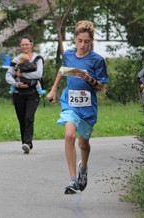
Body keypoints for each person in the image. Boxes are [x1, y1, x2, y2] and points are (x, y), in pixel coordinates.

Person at [45, 20, 109, 194]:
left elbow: (102, 87)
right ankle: (73, 180)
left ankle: (83, 168)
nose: (83, 45)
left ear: (91, 41)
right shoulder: (69, 55)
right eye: (80, 41)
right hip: (70, 102)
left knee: (83, 144)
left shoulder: (97, 60)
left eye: (87, 42)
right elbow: (62, 70)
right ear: (75, 39)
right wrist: (53, 90)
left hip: (87, 107)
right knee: (69, 135)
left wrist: (89, 79)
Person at [5, 35, 44, 154]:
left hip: (32, 93)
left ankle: (27, 142)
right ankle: (25, 143)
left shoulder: (38, 59)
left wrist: (22, 75)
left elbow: (38, 75)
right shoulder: (16, 59)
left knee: (29, 117)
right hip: (18, 93)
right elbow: (8, 75)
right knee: (22, 119)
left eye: (26, 44)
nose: (24, 46)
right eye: (22, 44)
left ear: (32, 44)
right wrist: (16, 84)